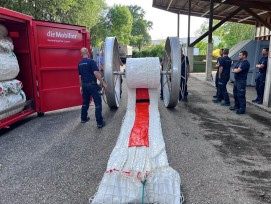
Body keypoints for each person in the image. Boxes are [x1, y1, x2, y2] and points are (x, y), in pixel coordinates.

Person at [78, 47, 108, 127]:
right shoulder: (91, 61)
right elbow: (96, 73)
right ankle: (99, 123)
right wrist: (103, 83)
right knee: (98, 103)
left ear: (81, 54)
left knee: (85, 102)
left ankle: (83, 118)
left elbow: (80, 77)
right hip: (92, 85)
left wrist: (81, 87)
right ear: (88, 53)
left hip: (84, 85)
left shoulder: (80, 63)